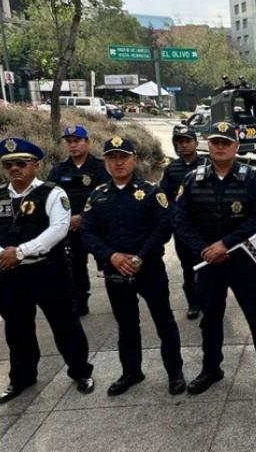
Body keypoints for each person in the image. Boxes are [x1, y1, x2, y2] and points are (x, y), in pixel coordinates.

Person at [0, 137, 95, 405]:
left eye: (21, 163)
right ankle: (22, 378)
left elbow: (58, 229)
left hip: (48, 272)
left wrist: (21, 252)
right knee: (17, 330)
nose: (15, 169)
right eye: (9, 165)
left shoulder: (52, 193)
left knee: (65, 325)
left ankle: (81, 371)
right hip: (10, 274)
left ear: (35, 165)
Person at [175, 121, 256, 398]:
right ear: (207, 145)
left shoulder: (253, 177)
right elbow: (181, 220)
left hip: (244, 261)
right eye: (215, 142)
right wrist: (205, 249)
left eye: (226, 142)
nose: (220, 147)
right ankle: (212, 369)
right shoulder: (192, 179)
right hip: (209, 263)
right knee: (210, 319)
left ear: (236, 146)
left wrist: (225, 244)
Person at [80, 136, 185, 397]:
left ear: (134, 160)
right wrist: (112, 256)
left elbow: (163, 228)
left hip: (148, 268)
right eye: (112, 157)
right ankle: (131, 372)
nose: (118, 163)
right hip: (115, 270)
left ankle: (175, 373)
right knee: (126, 325)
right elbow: (87, 232)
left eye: (123, 157)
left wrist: (139, 256)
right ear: (105, 162)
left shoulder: (151, 191)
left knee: (164, 322)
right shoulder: (98, 195)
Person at [47, 125, 110, 316]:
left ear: (87, 142)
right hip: (71, 228)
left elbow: (107, 195)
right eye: (69, 142)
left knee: (109, 264)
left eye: (77, 141)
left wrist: (84, 217)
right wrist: (67, 219)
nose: (73, 145)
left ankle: (120, 300)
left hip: (98, 226)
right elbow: (50, 198)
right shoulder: (59, 170)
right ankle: (81, 302)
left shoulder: (100, 167)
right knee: (75, 267)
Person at [159, 125, 204, 319]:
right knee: (187, 267)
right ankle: (193, 303)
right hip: (183, 229)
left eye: (188, 141)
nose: (184, 145)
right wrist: (174, 214)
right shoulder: (171, 169)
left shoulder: (206, 164)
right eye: (180, 142)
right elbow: (164, 197)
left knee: (206, 266)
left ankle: (208, 299)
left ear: (196, 142)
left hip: (204, 226)